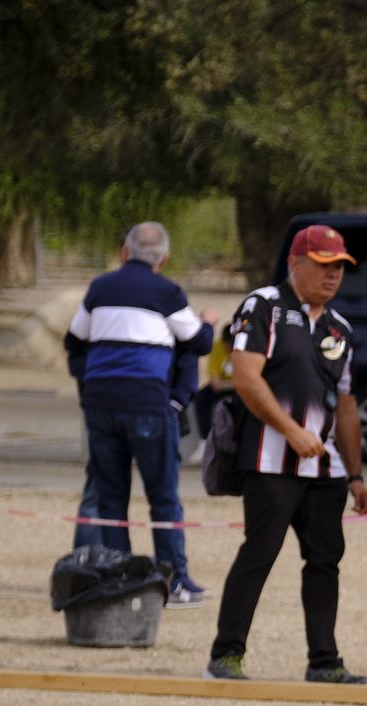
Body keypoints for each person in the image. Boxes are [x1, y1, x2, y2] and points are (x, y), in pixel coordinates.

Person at [204, 224, 367, 684]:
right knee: (260, 551)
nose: (333, 274)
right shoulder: (264, 306)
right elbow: (245, 377)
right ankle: (227, 653)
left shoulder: (340, 327)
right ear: (295, 263)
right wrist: (291, 431)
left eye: (339, 266)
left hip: (326, 467)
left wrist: (356, 476)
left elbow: (346, 404)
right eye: (323, 264)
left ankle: (324, 661)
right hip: (269, 459)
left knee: (325, 560)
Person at [63, 222, 216, 608]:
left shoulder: (100, 288)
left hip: (100, 405)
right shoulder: (166, 291)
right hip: (148, 405)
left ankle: (118, 577)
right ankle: (174, 578)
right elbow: (198, 342)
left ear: (125, 252)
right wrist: (210, 321)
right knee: (163, 498)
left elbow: (73, 340)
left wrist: (89, 382)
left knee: (111, 500)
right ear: (163, 258)